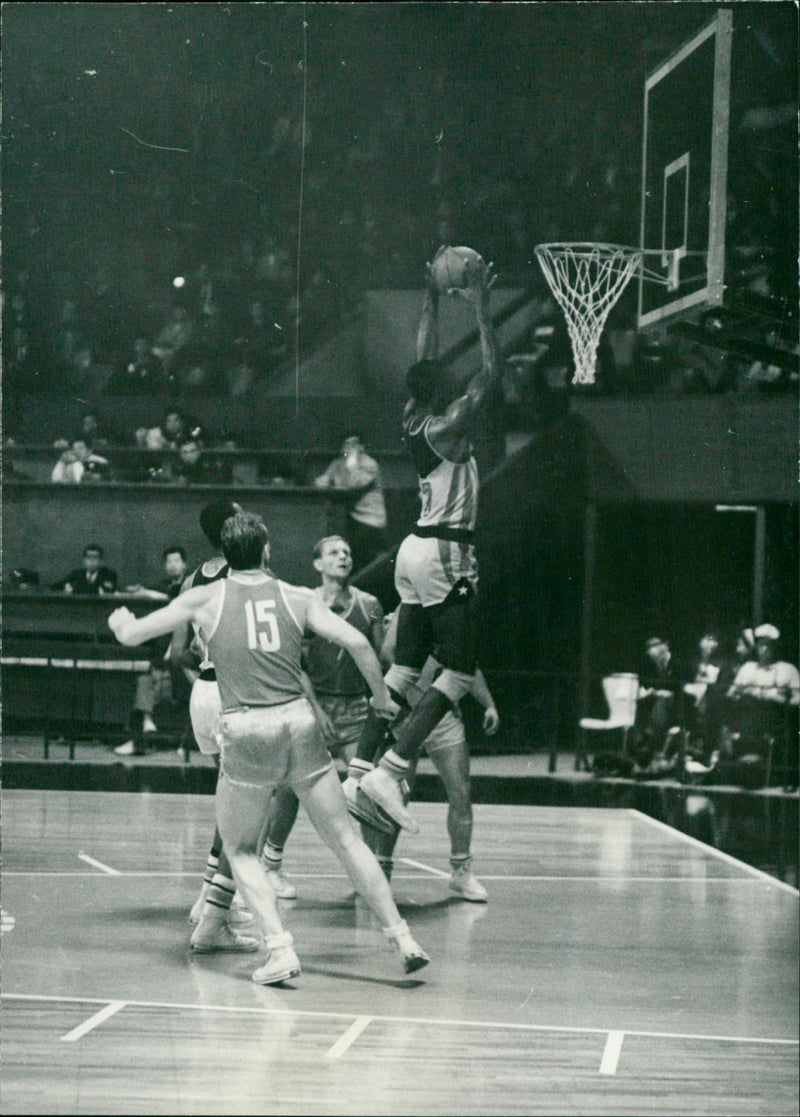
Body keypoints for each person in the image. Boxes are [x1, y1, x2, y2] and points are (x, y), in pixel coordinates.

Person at [109, 511, 429, 985]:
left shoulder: (204, 597)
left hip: (247, 728)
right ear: (267, 551)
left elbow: (134, 635)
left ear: (224, 554)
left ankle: (279, 949)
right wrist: (381, 700)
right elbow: (361, 643)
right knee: (345, 838)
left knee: (239, 849)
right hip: (299, 723)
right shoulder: (296, 595)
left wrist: (120, 621)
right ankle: (403, 939)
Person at [347, 249, 499, 834]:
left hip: (412, 551)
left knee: (404, 671)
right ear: (445, 391)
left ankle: (359, 766)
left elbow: (422, 358)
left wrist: (433, 298)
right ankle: (391, 766)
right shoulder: (449, 421)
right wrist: (480, 308)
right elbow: (493, 374)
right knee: (458, 672)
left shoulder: (414, 414)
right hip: (445, 551)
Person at [258, 534, 386, 891]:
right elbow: (294, 665)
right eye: (334, 552)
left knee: (368, 790)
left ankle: (371, 873)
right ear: (318, 564)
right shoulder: (302, 601)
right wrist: (316, 709)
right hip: (312, 706)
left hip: (356, 708)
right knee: (288, 789)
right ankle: (271, 865)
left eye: (347, 551)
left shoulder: (370, 604)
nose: (343, 557)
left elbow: (378, 658)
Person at [362, 609, 499, 901]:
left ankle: (461, 871)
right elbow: (387, 653)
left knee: (461, 790)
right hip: (406, 716)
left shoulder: (452, 612)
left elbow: (467, 666)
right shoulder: (406, 609)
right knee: (395, 792)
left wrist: (488, 704)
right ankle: (381, 867)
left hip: (444, 718)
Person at [114, 546, 190, 757]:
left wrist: (146, 593)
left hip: (185, 668)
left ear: (184, 564)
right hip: (163, 666)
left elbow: (175, 598)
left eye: (177, 561)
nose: (173, 565)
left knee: (160, 680)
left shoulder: (191, 587)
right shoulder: (162, 589)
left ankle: (186, 743)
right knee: (144, 682)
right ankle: (140, 735)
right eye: (169, 561)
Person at [314, 432, 387, 572]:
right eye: (347, 444)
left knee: (363, 564)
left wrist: (352, 462)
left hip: (370, 520)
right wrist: (323, 481)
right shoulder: (338, 463)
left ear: (361, 447)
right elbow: (322, 481)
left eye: (353, 444)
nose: (349, 448)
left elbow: (355, 483)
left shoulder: (369, 464)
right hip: (350, 518)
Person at [51, 544, 118, 594]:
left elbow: (106, 591)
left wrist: (74, 589)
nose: (92, 561)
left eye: (95, 557)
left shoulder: (109, 574)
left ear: (101, 561)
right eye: (89, 557)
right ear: (84, 561)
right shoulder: (77, 574)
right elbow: (55, 586)